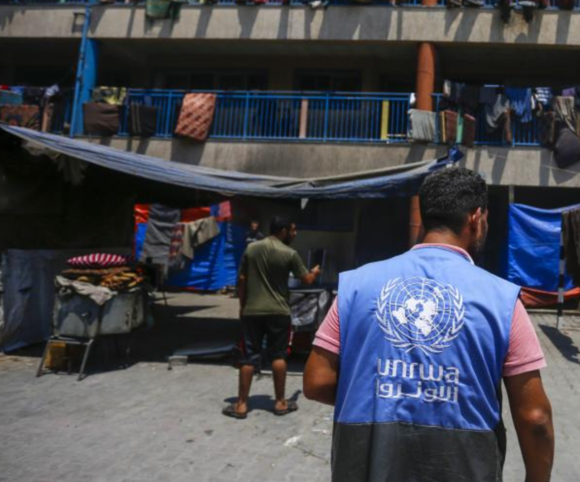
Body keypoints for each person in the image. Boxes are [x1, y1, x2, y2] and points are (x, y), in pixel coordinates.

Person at [304, 168, 554, 482]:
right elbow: (535, 418)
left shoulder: (356, 286)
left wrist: (389, 393)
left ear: (424, 217)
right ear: (476, 218)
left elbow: (316, 381)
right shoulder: (503, 300)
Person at [223, 216, 320, 420]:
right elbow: (307, 280)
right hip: (279, 312)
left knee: (248, 356)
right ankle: (280, 402)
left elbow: (242, 280)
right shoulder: (289, 253)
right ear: (283, 231)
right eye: (293, 230)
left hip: (252, 311)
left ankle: (241, 405)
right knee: (278, 356)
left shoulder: (251, 249)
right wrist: (315, 271)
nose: (294, 234)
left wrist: (242, 307)